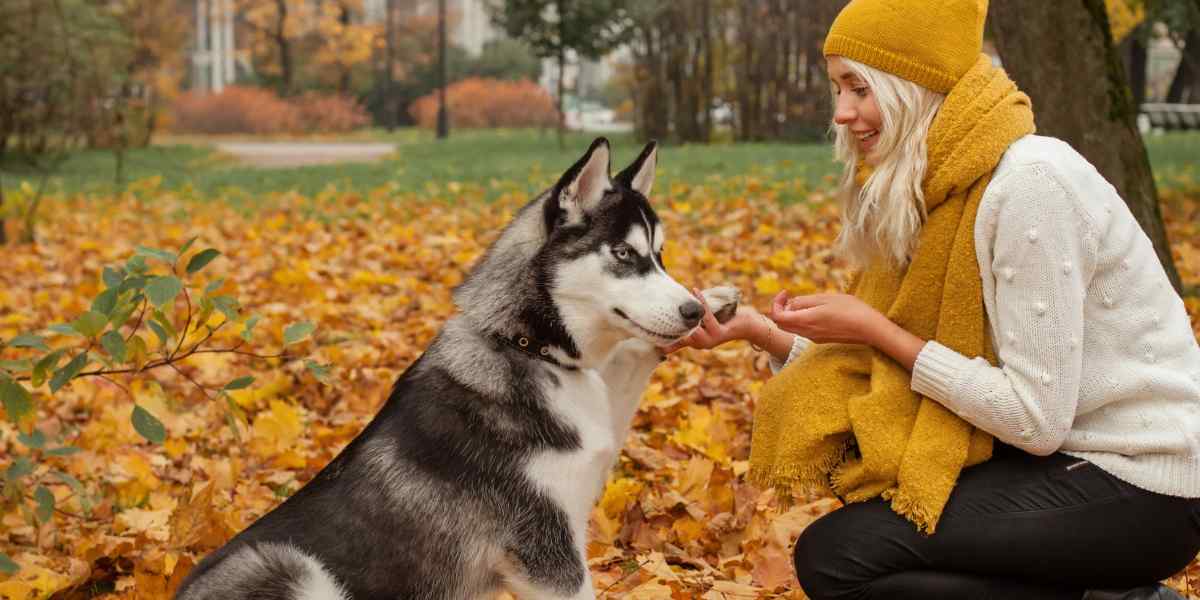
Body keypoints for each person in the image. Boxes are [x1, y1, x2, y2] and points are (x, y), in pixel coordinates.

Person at [669, 0, 1200, 598]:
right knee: (855, 516)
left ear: (913, 86)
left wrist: (875, 329)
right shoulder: (940, 183)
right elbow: (894, 379)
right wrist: (761, 332)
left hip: (1142, 483)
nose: (841, 112)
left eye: (860, 88)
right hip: (1055, 462)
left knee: (840, 556)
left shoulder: (1029, 186)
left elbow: (1035, 419)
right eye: (837, 89)